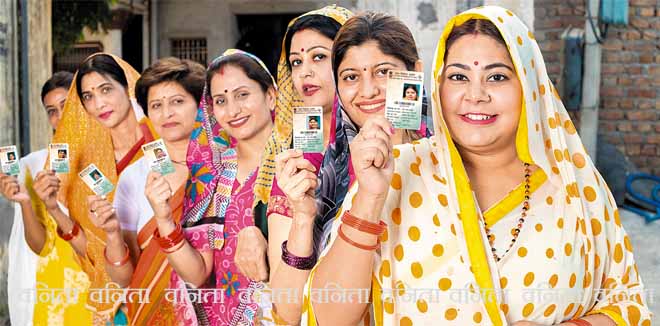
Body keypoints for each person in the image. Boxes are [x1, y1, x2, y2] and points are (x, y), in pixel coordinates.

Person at [303, 6, 651, 325]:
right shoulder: (396, 174)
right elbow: (327, 317)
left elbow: (628, 304)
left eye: (497, 77)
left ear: (529, 87)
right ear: (438, 86)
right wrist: (370, 198)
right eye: (457, 77)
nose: (475, 95)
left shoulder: (574, 185)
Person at [145, 49, 277, 325]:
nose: (232, 110)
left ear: (271, 96)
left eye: (242, 95)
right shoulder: (210, 176)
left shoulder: (297, 163)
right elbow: (197, 273)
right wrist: (164, 217)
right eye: (221, 100)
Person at [32, 53, 156, 324]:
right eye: (88, 96)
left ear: (128, 87)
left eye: (106, 89)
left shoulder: (160, 143)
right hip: (118, 305)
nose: (99, 103)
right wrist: (53, 207)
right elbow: (91, 249)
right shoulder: (89, 167)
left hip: (171, 288)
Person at [87, 57, 205, 325]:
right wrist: (112, 233)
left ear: (199, 106)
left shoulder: (226, 167)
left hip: (220, 309)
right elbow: (125, 278)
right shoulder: (135, 176)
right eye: (156, 105)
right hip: (153, 312)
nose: (167, 113)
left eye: (177, 101)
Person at [0, 71, 94, 325]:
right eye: (52, 111)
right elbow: (40, 246)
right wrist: (25, 201)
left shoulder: (114, 158)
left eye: (66, 105)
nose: (60, 116)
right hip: (53, 297)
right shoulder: (34, 168)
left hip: (102, 291)